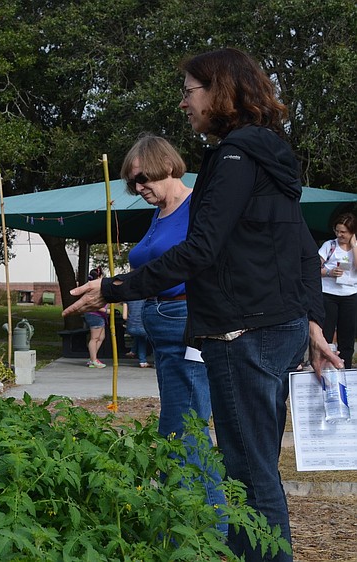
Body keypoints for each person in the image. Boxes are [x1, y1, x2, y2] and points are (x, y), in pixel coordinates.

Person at [63, 48, 340, 562]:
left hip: (242, 333)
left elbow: (201, 248)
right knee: (256, 469)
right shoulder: (269, 155)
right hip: (275, 328)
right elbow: (301, 248)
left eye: (189, 91)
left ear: (219, 92)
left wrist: (115, 287)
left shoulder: (234, 157)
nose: (184, 104)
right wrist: (313, 323)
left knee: (248, 476)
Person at [122, 134, 225, 527]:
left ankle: (218, 526)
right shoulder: (160, 210)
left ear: (167, 166)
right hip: (161, 328)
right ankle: (179, 515)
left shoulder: (197, 203)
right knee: (178, 424)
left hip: (187, 325)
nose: (138, 188)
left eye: (143, 178)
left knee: (187, 429)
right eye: (133, 183)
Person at [319, 212, 357, 368]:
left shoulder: (355, 247)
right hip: (328, 294)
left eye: (344, 232)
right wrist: (329, 272)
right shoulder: (329, 246)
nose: (340, 235)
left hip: (350, 295)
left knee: (347, 336)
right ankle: (324, 366)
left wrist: (353, 245)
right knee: (326, 334)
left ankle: (346, 367)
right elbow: (314, 268)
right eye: (337, 231)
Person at [83, 268, 107, 368]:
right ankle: (93, 360)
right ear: (100, 276)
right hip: (95, 315)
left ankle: (93, 358)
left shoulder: (97, 286)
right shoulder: (93, 287)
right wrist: (104, 310)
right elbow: (91, 302)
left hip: (99, 316)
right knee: (94, 338)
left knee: (101, 337)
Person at [122, 299, 149, 368]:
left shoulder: (127, 299)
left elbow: (124, 317)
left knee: (139, 336)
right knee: (143, 338)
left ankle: (133, 352)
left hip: (131, 327)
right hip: (144, 327)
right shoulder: (146, 298)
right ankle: (143, 361)